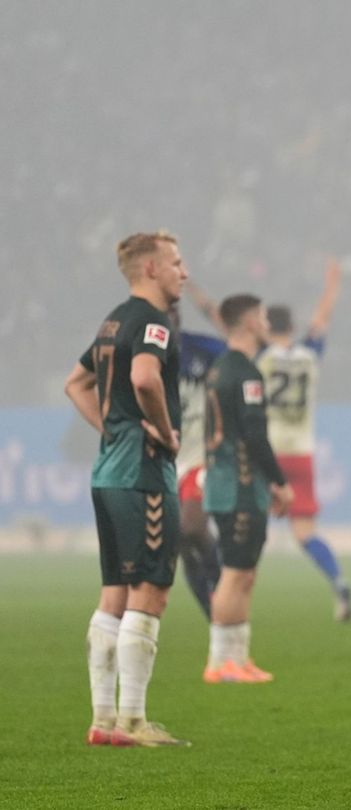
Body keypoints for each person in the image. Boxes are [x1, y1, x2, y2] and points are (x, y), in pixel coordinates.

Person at [63, 231, 191, 747]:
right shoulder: (153, 324)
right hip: (143, 475)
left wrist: (111, 427)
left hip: (107, 473)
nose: (185, 271)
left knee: (114, 592)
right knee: (151, 589)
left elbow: (75, 383)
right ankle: (134, 721)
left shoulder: (113, 321)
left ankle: (102, 720)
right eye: (177, 263)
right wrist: (162, 429)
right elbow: (144, 379)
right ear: (152, 270)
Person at [202, 295, 294, 684]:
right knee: (234, 573)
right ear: (245, 323)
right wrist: (280, 481)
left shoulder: (221, 369)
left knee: (245, 573)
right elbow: (255, 436)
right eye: (259, 315)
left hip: (235, 485)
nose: (265, 320)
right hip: (237, 486)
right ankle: (219, 661)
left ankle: (238, 659)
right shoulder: (245, 375)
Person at [256, 259, 351, 621]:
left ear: (266, 329)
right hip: (301, 454)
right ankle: (338, 581)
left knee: (248, 526)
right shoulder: (309, 357)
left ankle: (230, 592)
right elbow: (322, 320)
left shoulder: (261, 359)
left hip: (268, 453)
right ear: (292, 327)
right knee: (306, 533)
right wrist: (332, 285)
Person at [172, 305, 226, 619]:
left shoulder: (201, 348)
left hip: (198, 457)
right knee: (179, 543)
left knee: (191, 526)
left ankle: (221, 582)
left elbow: (237, 353)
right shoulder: (138, 354)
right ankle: (213, 614)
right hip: (164, 461)